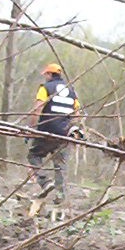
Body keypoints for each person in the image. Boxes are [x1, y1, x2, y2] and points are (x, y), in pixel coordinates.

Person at [27, 62, 81, 203]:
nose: (45, 77)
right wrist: (73, 130)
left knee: (33, 155)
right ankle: (60, 197)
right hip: (64, 132)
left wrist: (31, 128)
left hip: (47, 130)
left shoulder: (45, 88)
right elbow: (77, 114)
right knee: (61, 165)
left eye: (46, 74)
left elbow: (37, 108)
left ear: (50, 74)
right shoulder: (72, 91)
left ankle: (45, 182)